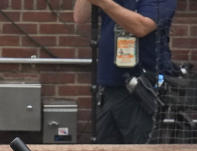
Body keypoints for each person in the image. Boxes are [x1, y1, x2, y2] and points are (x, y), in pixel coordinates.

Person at [73, 0, 176, 143]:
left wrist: (104, 3)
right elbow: (80, 17)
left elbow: (142, 27)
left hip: (143, 88)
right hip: (110, 84)